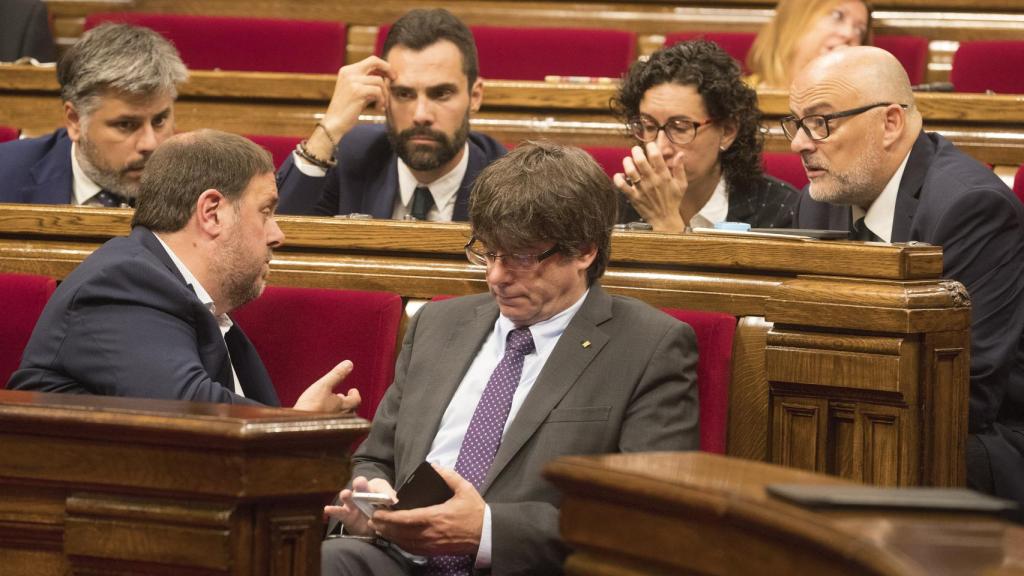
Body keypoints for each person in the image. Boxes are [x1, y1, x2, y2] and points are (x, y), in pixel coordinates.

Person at [319, 141, 699, 574]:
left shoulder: (650, 346)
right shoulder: (438, 324)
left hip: (524, 566)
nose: (496, 276)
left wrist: (487, 531)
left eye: (519, 256)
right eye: (488, 252)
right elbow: (375, 458)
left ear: (585, 251)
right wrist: (370, 506)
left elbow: (649, 517)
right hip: (398, 560)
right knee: (329, 561)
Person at [786, 46, 1024, 518]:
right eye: (794, 123)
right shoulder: (819, 199)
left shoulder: (971, 208)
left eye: (821, 122)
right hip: (864, 410)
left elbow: (966, 392)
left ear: (890, 123)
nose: (799, 143)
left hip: (980, 442)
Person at [9, 130, 360, 414]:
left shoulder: (182, 295)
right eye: (265, 212)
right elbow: (186, 409)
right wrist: (297, 425)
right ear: (211, 212)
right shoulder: (123, 282)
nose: (277, 235)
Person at [277, 8, 506, 220]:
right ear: (384, 95)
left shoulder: (506, 183)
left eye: (441, 94)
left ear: (475, 97)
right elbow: (276, 239)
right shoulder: (352, 157)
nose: (421, 115)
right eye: (404, 94)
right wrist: (331, 127)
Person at [612, 40, 799, 232]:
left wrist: (666, 222)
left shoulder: (779, 210)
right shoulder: (614, 205)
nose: (660, 148)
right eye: (649, 126)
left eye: (680, 127)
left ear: (727, 131)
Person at [0, 23, 187, 206]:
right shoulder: (5, 176)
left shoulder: (201, 186)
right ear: (75, 121)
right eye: (126, 125)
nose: (150, 144)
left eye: (159, 120)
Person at [748, 0, 871, 89]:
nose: (849, 33)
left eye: (859, 30)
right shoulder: (739, 99)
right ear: (794, 19)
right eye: (837, 16)